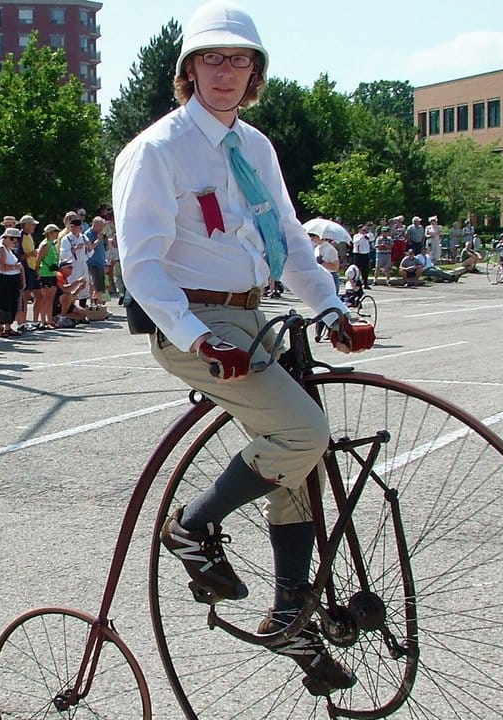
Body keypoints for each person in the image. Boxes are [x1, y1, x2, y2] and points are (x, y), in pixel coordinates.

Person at [113, 1, 373, 696]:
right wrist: (196, 335)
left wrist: (331, 307)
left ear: (256, 72)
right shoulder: (158, 150)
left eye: (240, 60)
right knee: (301, 430)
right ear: (188, 70)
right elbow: (140, 265)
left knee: (301, 460)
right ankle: (191, 528)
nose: (226, 72)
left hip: (252, 318)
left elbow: (288, 241)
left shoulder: (255, 147)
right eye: (212, 59)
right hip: (193, 321)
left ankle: (290, 611)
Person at [0, 227, 24, 337]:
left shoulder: (10, 248)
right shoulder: (1, 248)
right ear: (5, 237)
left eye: (16, 239)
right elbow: (2, 267)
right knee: (3, 303)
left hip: (13, 278)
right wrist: (15, 267)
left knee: (12, 303)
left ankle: (8, 327)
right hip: (4, 279)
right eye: (12, 238)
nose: (14, 241)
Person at [34, 223, 61, 328]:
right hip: (45, 273)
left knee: (51, 298)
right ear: (50, 233)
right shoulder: (45, 244)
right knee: (45, 298)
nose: (57, 233)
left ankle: (49, 320)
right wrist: (37, 272)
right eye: (55, 231)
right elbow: (38, 259)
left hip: (52, 273)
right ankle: (43, 321)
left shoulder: (52, 244)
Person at [85, 216, 109, 305]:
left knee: (100, 286)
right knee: (98, 286)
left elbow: (105, 249)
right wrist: (98, 240)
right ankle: (99, 305)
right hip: (93, 264)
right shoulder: (88, 234)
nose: (102, 228)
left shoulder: (100, 234)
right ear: (95, 225)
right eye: (101, 226)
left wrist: (105, 241)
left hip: (101, 263)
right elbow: (89, 248)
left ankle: (96, 304)